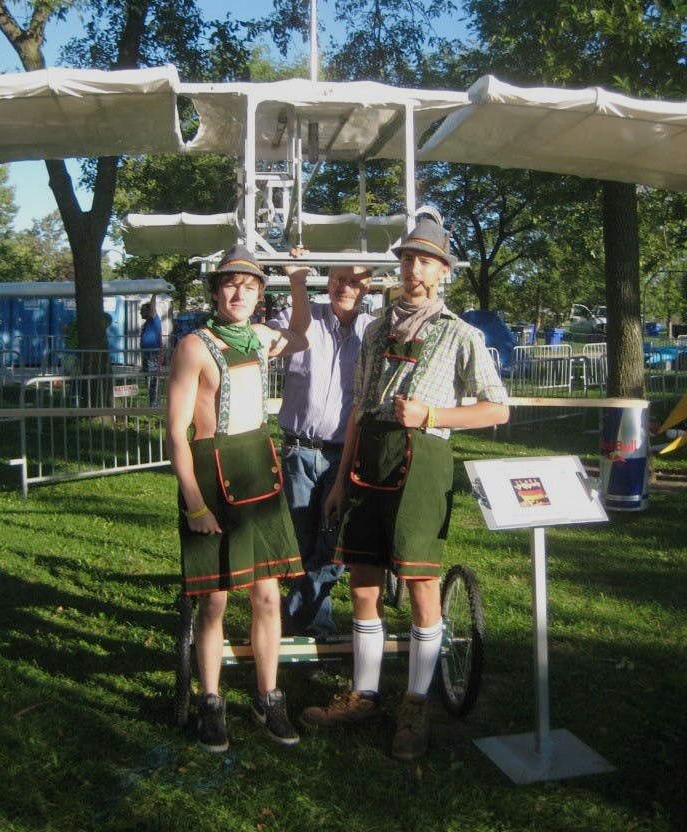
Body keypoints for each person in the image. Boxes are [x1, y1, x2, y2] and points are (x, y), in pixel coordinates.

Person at [300, 212, 510, 762]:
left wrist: (432, 412)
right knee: (363, 582)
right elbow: (356, 408)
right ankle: (364, 695)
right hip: (367, 457)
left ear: (442, 273)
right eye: (407, 258)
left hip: (423, 461)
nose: (413, 269)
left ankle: (415, 703)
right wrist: (342, 478)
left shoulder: (462, 334)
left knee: (419, 583)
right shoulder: (374, 329)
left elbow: (498, 408)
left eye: (425, 261)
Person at [166, 244, 311, 753]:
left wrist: (297, 280)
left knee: (268, 596)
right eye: (231, 283)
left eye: (250, 286)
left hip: (258, 473)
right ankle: (211, 700)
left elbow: (300, 335)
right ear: (215, 289)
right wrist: (194, 504)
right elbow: (177, 434)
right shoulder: (193, 346)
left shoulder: (261, 337)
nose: (239, 292)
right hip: (211, 477)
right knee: (214, 601)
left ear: (258, 295)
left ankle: (269, 697)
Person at [269, 262, 373, 637]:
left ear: (368, 287)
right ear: (328, 282)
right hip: (300, 450)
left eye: (355, 281)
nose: (346, 288)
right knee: (303, 543)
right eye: (339, 280)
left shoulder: (372, 331)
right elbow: (273, 341)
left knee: (334, 545)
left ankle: (289, 617)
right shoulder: (301, 317)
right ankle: (318, 622)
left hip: (344, 455)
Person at [140, 293, 162, 407]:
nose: (140, 313)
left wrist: (154, 294)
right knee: (148, 379)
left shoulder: (153, 319)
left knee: (153, 379)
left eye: (142, 310)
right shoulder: (147, 323)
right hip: (147, 354)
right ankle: (152, 403)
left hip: (152, 354)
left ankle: (155, 405)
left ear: (149, 311)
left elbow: (153, 306)